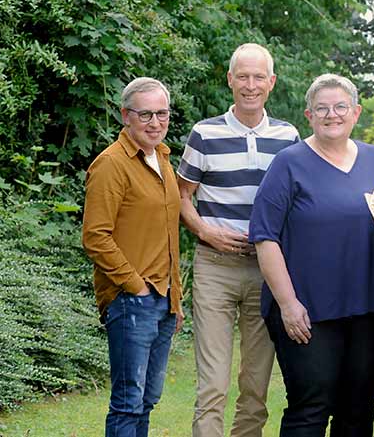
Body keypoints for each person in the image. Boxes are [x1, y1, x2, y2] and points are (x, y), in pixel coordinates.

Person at [249, 73, 374, 436]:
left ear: (356, 112)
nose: (332, 115)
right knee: (311, 406)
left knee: (359, 408)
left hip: (370, 309)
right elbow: (265, 238)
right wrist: (287, 303)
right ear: (308, 115)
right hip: (308, 312)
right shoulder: (288, 163)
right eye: (322, 109)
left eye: (341, 107)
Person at [176, 43, 299, 437]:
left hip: (266, 272)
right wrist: (203, 230)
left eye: (258, 77)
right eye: (242, 77)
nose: (250, 85)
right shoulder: (204, 133)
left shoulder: (288, 136)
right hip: (215, 268)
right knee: (212, 384)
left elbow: (297, 203)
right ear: (229, 80)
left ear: (272, 82)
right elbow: (180, 195)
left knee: (256, 383)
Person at [82, 77, 183, 437]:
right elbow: (95, 236)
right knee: (128, 402)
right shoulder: (111, 164)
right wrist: (136, 286)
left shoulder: (164, 160)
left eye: (162, 114)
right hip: (131, 300)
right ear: (126, 116)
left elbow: (169, 236)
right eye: (146, 115)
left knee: (147, 400)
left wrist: (176, 298)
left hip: (163, 299)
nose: (155, 122)